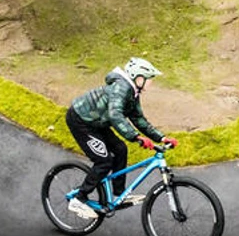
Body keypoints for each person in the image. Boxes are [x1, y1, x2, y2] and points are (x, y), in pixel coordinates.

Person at [64, 57, 178, 220]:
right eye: (150, 79)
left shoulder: (133, 92)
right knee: (104, 161)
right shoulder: (121, 88)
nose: (151, 83)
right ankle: (79, 198)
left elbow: (138, 119)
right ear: (139, 78)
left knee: (120, 149)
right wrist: (136, 137)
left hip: (97, 122)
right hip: (81, 121)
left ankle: (119, 193)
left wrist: (161, 137)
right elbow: (115, 115)